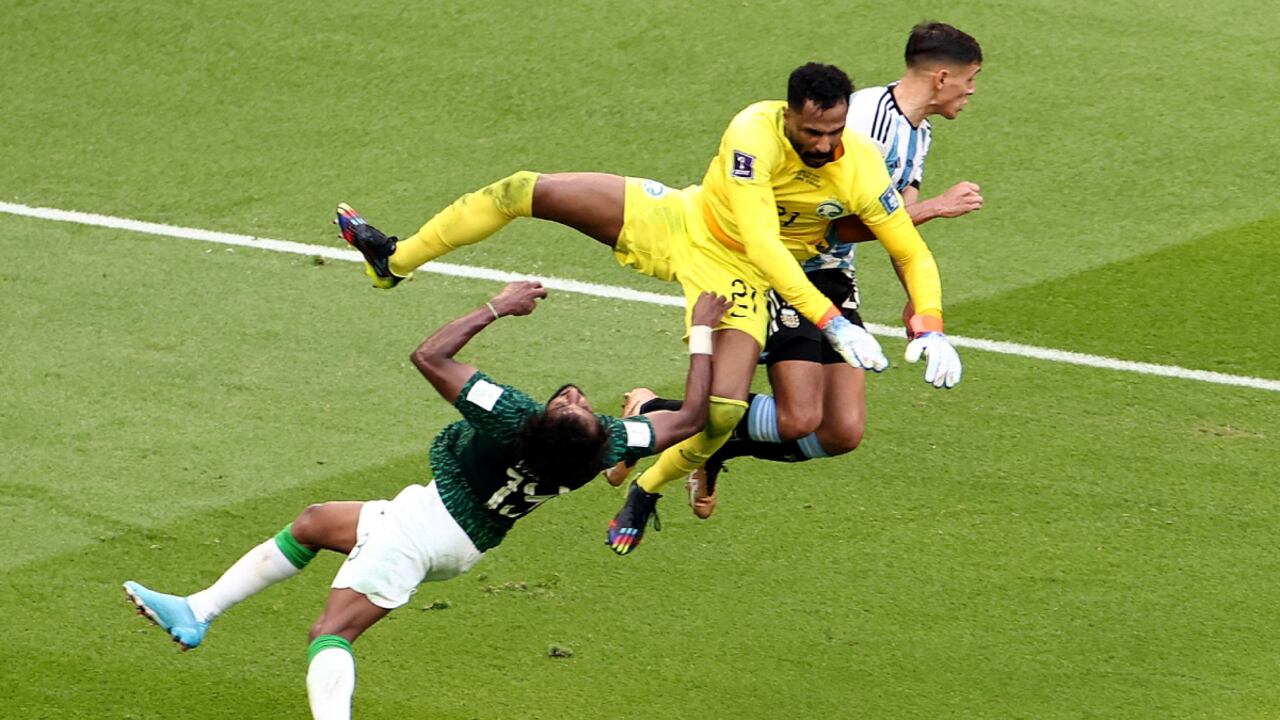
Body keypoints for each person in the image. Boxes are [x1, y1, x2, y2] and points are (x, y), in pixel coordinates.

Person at [337, 62, 962, 556]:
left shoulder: (859, 165)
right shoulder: (752, 132)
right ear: (788, 117)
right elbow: (764, 238)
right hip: (683, 222)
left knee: (719, 412)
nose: (824, 145)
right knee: (526, 189)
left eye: (834, 132)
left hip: (738, 276)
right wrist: (829, 323)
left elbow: (909, 248)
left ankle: (648, 485)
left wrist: (929, 324)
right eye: (812, 133)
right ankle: (393, 260)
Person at [123, 282, 729, 719]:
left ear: (543, 422)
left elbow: (429, 355)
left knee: (329, 634)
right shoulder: (606, 443)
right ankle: (197, 610)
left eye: (567, 404)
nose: (572, 395)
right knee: (313, 524)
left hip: (423, 529)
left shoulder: (513, 419)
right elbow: (694, 415)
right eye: (578, 403)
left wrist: (497, 307)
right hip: (457, 537)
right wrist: (703, 330)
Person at [610, 23, 984, 519]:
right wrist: (936, 208)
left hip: (834, 273)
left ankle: (713, 444)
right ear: (942, 77)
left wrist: (922, 315)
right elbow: (833, 225)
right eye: (971, 78)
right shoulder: (860, 122)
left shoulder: (918, 133)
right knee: (798, 415)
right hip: (789, 264)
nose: (973, 90)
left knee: (842, 432)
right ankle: (657, 418)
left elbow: (894, 229)